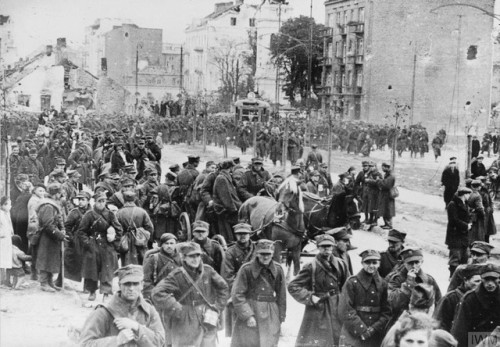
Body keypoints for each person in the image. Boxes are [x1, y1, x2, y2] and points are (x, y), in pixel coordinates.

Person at [151, 242, 229, 347]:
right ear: (183, 257)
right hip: (186, 317)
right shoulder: (176, 275)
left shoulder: (208, 271)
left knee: (209, 344)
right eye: (191, 256)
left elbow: (223, 287)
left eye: (198, 255)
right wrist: (176, 307)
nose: (195, 259)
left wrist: (218, 307)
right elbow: (157, 292)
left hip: (207, 316)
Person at [79, 264, 165, 347]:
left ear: (142, 285)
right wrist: (117, 340)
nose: (131, 288)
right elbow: (85, 344)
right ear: (120, 285)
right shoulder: (103, 312)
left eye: (135, 284)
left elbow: (160, 342)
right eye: (127, 284)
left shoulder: (149, 310)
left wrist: (137, 327)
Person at [288, 234, 350, 346]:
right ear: (318, 247)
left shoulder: (341, 264)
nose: (326, 249)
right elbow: (293, 286)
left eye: (329, 246)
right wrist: (310, 297)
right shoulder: (311, 266)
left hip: (338, 306)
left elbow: (349, 286)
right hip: (319, 308)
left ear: (333, 247)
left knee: (338, 339)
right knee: (318, 340)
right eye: (323, 246)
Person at [231, 239, 287, 347]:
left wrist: (280, 316)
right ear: (257, 253)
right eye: (262, 254)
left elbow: (282, 296)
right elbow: (237, 294)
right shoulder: (246, 269)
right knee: (249, 342)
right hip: (252, 309)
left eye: (268, 254)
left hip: (271, 311)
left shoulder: (278, 269)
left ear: (272, 254)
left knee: (269, 342)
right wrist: (248, 315)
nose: (265, 257)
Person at [338, 249, 391, 347]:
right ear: (362, 263)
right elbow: (345, 310)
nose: (371, 266)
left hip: (375, 335)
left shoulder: (383, 284)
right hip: (353, 333)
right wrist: (362, 330)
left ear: (379, 264)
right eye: (367, 262)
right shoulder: (352, 282)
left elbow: (386, 312)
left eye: (374, 262)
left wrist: (373, 329)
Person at [77, 192, 123, 301]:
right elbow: (81, 232)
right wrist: (87, 243)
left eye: (103, 201)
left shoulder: (111, 215)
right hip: (93, 244)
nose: (101, 203)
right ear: (95, 202)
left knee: (107, 270)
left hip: (107, 245)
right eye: (99, 201)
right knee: (92, 270)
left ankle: (106, 293)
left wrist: (113, 240)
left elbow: (119, 230)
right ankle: (92, 292)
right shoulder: (89, 215)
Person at [451, 264, 500, 347]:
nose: (490, 283)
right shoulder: (469, 299)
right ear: (481, 279)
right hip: (473, 342)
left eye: (494, 279)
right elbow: (460, 331)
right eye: (486, 279)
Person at [221, 223, 256, 337]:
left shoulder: (257, 250)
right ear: (236, 236)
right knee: (238, 329)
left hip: (256, 290)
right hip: (237, 290)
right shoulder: (230, 252)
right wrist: (236, 291)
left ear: (250, 234)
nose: (243, 236)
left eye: (245, 233)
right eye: (239, 234)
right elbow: (227, 275)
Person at [388, 247, 442, 319]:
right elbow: (392, 303)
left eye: (417, 262)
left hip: (422, 319)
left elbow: (438, 302)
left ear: (422, 262)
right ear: (404, 263)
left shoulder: (429, 280)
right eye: (410, 263)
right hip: (400, 320)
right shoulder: (396, 279)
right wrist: (408, 284)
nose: (413, 266)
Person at [36, 183, 66, 292]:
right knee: (45, 259)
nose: (60, 196)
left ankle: (49, 282)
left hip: (51, 236)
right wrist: (59, 234)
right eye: (59, 194)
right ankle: (43, 283)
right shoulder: (48, 206)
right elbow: (48, 224)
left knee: (51, 259)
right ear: (56, 194)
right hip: (47, 236)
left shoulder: (51, 204)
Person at [433, 264, 482, 332]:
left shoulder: (484, 299)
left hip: (475, 340)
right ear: (465, 280)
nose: (480, 285)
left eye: (482, 282)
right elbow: (438, 325)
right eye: (477, 281)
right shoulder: (449, 299)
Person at [116, 190, 154, 266]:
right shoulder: (142, 211)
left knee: (127, 263)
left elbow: (116, 229)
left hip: (125, 241)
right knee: (141, 263)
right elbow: (150, 228)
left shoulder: (119, 213)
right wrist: (145, 237)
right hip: (140, 240)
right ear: (134, 199)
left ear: (124, 199)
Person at [142, 233, 181, 301]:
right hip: (159, 296)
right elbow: (146, 281)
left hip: (178, 296)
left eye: (172, 243)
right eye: (166, 243)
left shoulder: (181, 259)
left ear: (175, 244)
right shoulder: (154, 259)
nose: (169, 246)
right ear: (162, 245)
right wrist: (150, 297)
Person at [445, 186, 472, 278]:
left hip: (463, 235)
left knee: (465, 256)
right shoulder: (453, 204)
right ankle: (452, 276)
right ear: (464, 195)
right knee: (455, 257)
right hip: (455, 235)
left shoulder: (466, 204)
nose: (469, 196)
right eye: (468, 194)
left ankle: (461, 277)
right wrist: (465, 225)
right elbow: (453, 220)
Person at [213, 159, 241, 243]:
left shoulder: (225, 176)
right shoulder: (221, 178)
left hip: (227, 207)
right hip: (223, 209)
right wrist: (234, 209)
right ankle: (230, 243)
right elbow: (225, 197)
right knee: (228, 232)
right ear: (230, 167)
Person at [377, 162, 396, 229]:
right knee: (385, 210)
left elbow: (386, 185)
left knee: (388, 210)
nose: (382, 169)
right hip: (385, 195)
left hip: (388, 195)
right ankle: (386, 224)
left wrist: (379, 181)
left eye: (383, 167)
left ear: (386, 167)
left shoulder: (391, 176)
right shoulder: (388, 174)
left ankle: (389, 225)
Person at [0, 197, 14, 287]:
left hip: (7, 239)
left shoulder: (7, 213)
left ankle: (6, 280)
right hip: (2, 239)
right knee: (1, 259)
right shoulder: (0, 214)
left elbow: (9, 225)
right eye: (9, 204)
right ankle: (2, 279)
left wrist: (11, 232)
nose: (10, 206)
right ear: (3, 205)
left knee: (7, 259)